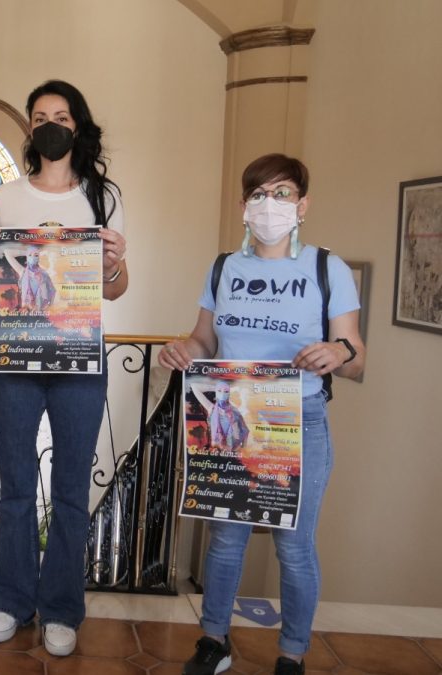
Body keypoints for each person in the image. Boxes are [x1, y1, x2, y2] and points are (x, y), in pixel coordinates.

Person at [158, 153, 366, 675]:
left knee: (294, 549)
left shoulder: (326, 267)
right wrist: (182, 349)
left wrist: (338, 353)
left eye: (281, 193)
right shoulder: (225, 267)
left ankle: (292, 652)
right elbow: (204, 338)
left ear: (303, 205)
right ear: (243, 205)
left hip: (300, 422)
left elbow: (357, 357)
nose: (269, 204)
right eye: (258, 194)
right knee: (226, 539)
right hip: (233, 422)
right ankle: (214, 641)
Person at [0, 79, 129, 656]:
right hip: (14, 352)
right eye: (39, 117)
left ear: (78, 125)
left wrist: (115, 263)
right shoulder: (8, 196)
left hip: (79, 359)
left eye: (60, 115)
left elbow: (114, 291)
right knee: (14, 483)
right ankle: (12, 599)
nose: (49, 123)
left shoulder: (102, 196)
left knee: (68, 487)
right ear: (31, 130)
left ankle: (61, 608)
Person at [190, 381, 249, 451]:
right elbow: (194, 386)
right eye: (219, 391)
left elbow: (245, 431)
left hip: (232, 452)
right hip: (215, 451)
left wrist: (243, 448)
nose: (222, 394)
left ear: (229, 394)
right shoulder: (211, 408)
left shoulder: (235, 411)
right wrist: (216, 388)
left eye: (226, 392)